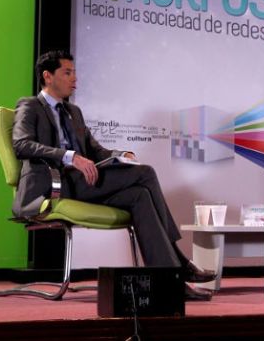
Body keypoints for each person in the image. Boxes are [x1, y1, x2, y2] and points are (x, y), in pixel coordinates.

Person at [12, 50, 216, 300]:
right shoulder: (30, 105)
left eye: (74, 72)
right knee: (147, 173)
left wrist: (119, 154)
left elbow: (95, 150)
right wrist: (69, 156)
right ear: (47, 76)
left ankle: (168, 282)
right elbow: (21, 145)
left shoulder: (73, 112)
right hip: (53, 185)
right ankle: (181, 263)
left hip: (84, 182)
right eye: (67, 72)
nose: (74, 78)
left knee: (140, 195)